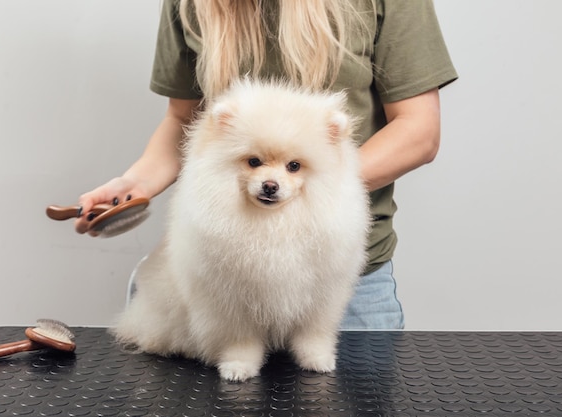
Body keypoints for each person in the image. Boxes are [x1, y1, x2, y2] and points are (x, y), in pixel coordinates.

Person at [74, 0, 458, 330]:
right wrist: (135, 183)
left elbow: (418, 132)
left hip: (336, 280)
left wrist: (306, 188)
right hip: (222, 278)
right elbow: (183, 120)